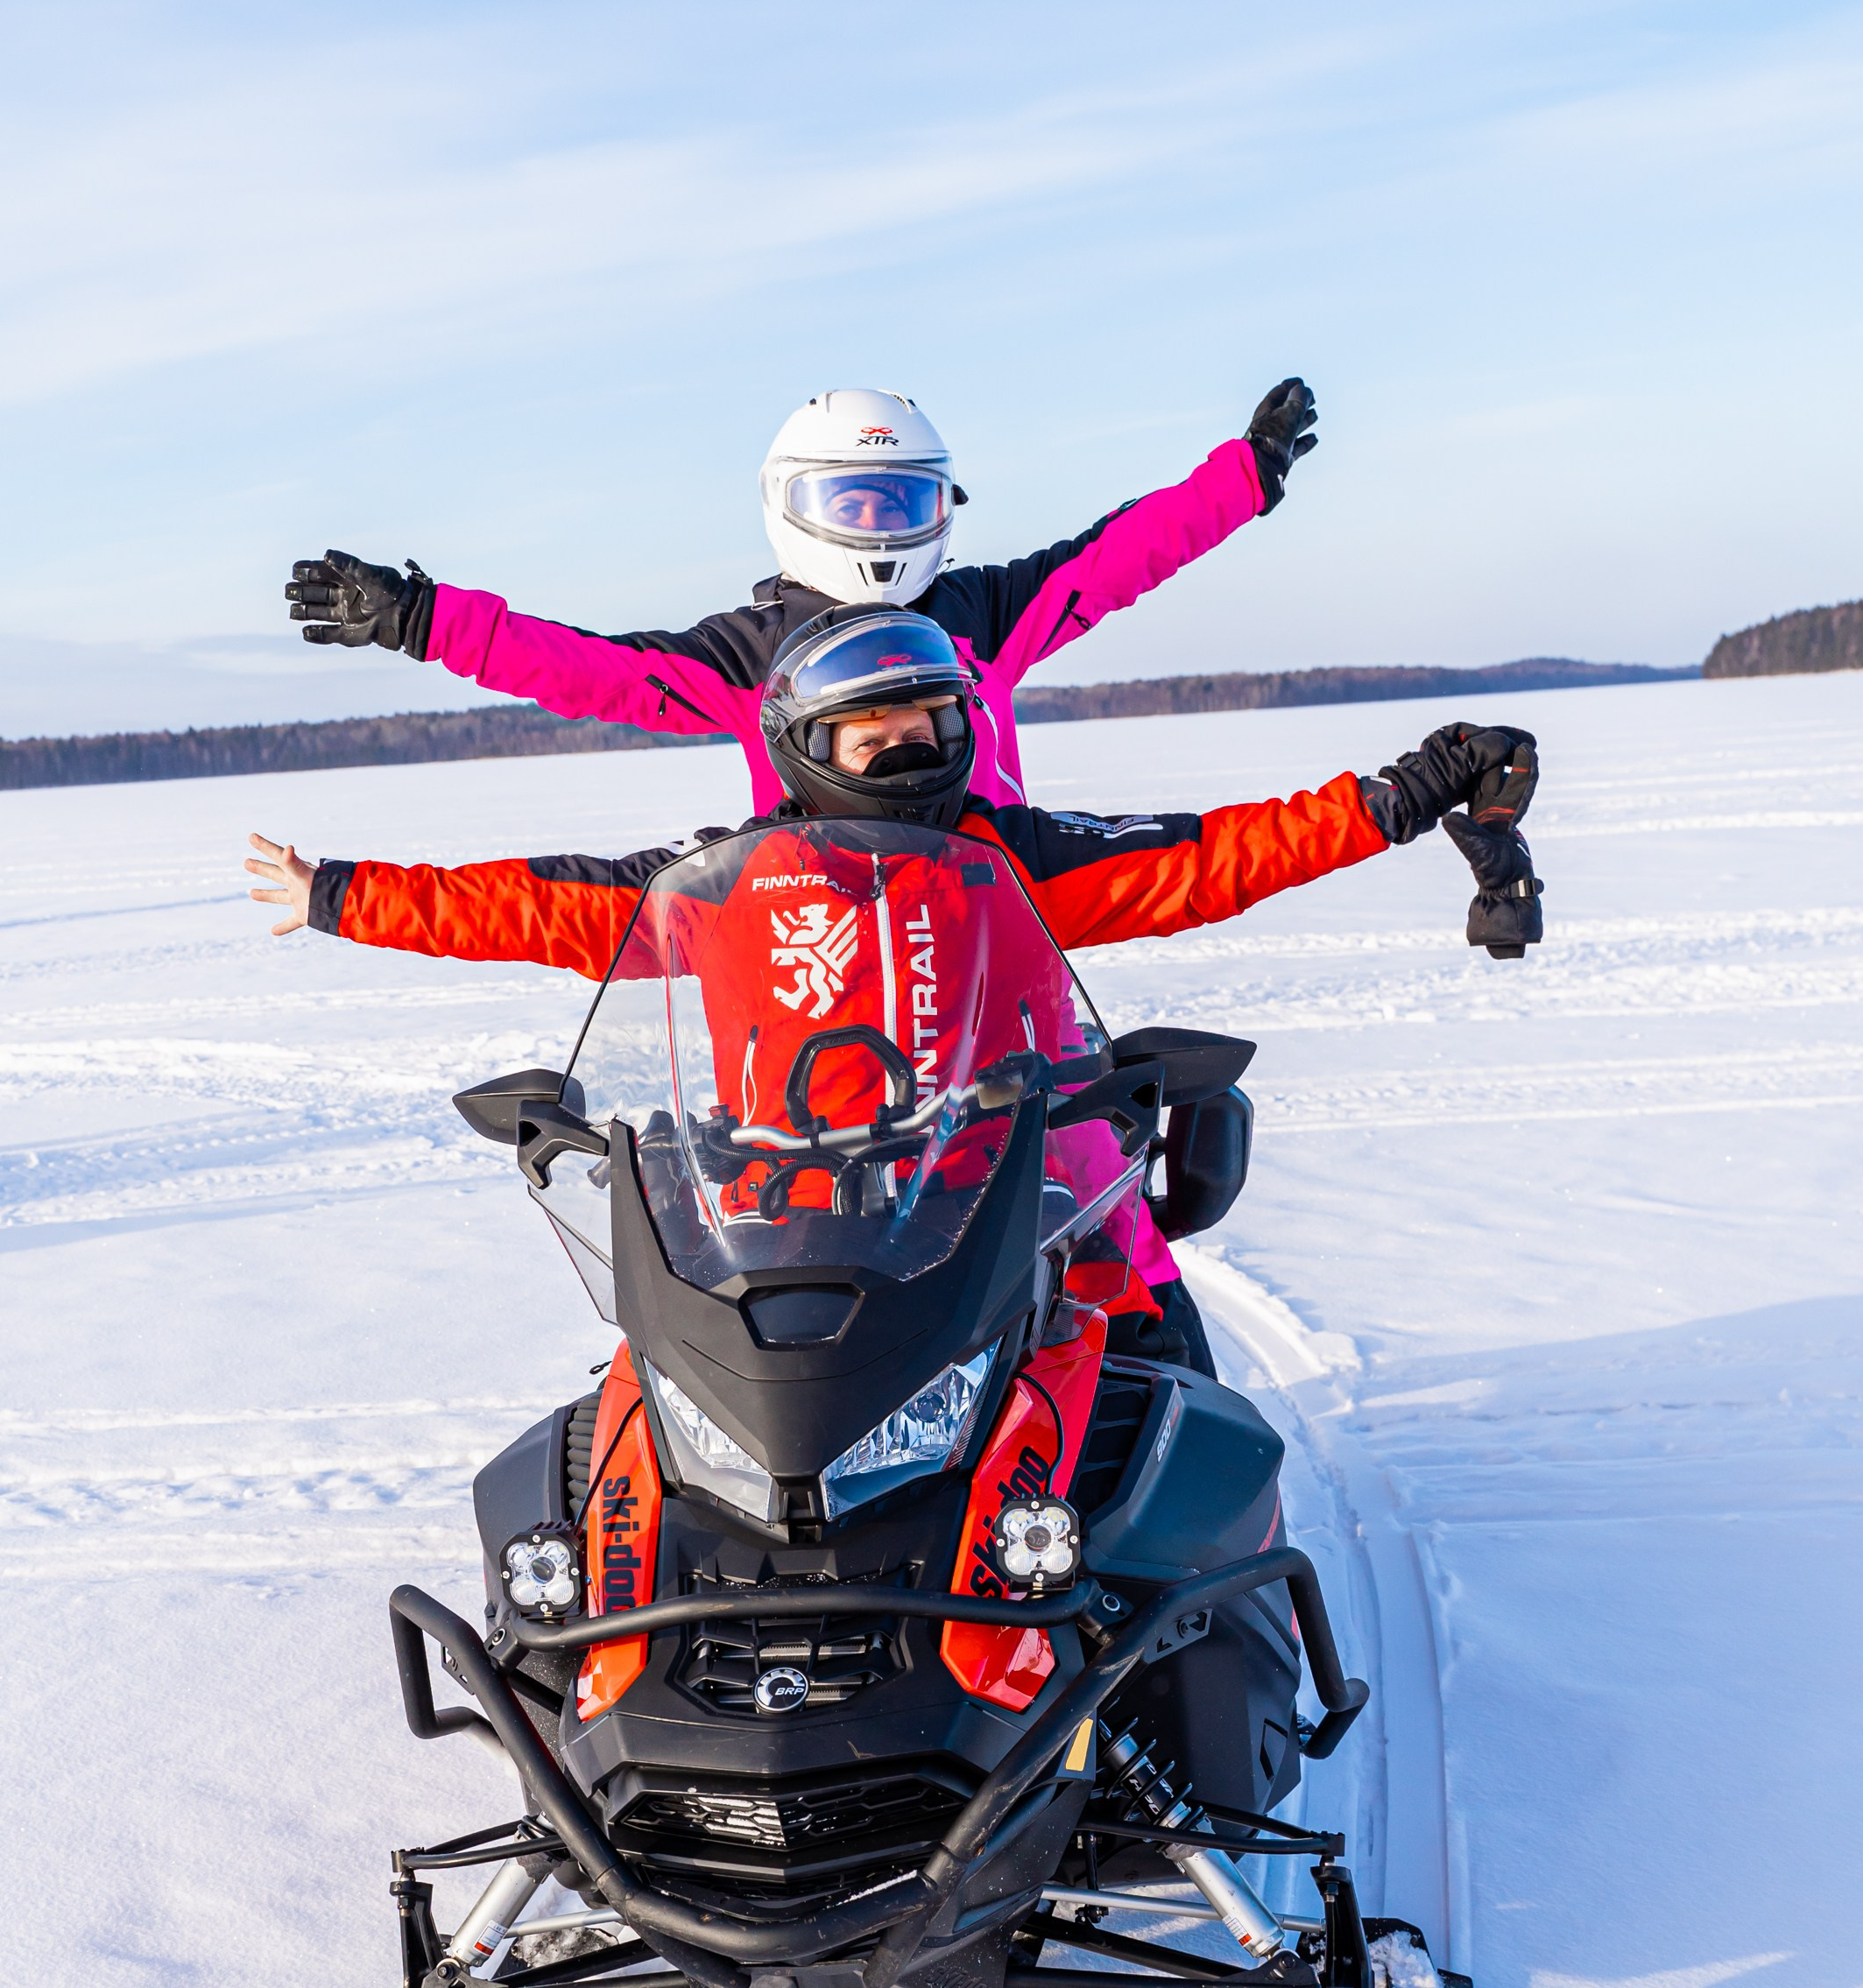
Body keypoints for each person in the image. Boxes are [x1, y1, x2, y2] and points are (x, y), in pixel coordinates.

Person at [245, 610, 1542, 1372]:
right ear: (814, 750)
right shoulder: (715, 889)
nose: (916, 747)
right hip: (779, 1227)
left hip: (1018, 1206)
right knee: (638, 1419)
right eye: (883, 734)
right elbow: (529, 904)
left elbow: (1214, 856)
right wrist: (339, 892)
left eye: (933, 722)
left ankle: (1209, 1652)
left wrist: (1402, 794)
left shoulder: (1009, 858)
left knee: (1170, 1387)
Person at [278, 377, 1323, 814]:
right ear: (795, 506)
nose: (879, 528)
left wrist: (1243, 477)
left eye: (902, 502)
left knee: (1093, 1189)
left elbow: (1116, 555)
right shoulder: (746, 654)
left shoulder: (980, 616)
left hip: (996, 942)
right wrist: (422, 620)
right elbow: (587, 668)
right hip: (814, 948)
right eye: (855, 503)